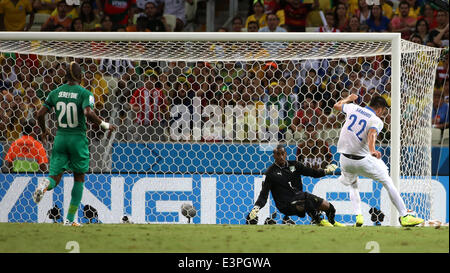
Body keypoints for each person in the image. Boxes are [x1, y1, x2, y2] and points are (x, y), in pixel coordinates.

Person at [33, 61, 116, 226]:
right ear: (81, 76)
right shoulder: (85, 93)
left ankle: (44, 185)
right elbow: (88, 112)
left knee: (54, 178)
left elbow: (40, 114)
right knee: (79, 178)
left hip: (60, 137)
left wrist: (44, 130)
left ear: (65, 76)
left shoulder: (55, 92)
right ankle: (70, 220)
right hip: (77, 138)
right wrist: (105, 125)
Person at [333, 93, 424, 227]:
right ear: (380, 109)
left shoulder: (353, 108)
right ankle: (404, 215)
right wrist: (372, 150)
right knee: (387, 181)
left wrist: (349, 99)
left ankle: (358, 215)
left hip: (345, 159)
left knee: (353, 184)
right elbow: (372, 134)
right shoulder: (376, 120)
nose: (383, 113)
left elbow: (336, 105)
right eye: (384, 111)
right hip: (362, 160)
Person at [247, 144, 343, 226]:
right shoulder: (271, 172)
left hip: (301, 197)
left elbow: (312, 172)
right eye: (278, 154)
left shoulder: (295, 165)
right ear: (274, 156)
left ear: (286, 154)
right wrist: (256, 207)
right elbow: (264, 194)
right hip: (285, 205)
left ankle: (333, 222)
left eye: (282, 154)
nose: (280, 156)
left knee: (329, 207)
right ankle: (318, 220)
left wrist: (325, 171)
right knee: (306, 200)